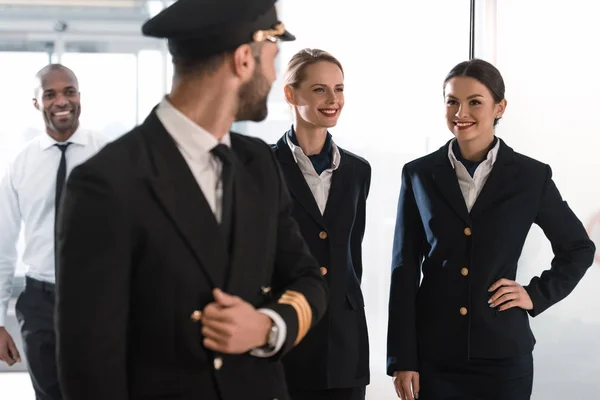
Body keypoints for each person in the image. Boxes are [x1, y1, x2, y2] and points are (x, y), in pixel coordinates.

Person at [54, 1, 328, 400]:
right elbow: (90, 372)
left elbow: (308, 278)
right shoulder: (106, 183)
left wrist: (269, 326)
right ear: (243, 61)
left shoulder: (258, 166)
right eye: (273, 56)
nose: (273, 74)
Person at [386, 58, 595, 400]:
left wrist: (535, 294)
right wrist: (401, 358)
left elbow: (579, 248)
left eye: (474, 102)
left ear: (499, 107)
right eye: (452, 101)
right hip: (434, 357)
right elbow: (404, 269)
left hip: (503, 359)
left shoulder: (531, 176)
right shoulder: (419, 174)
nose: (460, 111)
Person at [0, 63, 108, 400]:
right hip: (39, 301)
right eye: (50, 94)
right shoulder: (20, 163)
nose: (61, 101)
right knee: (48, 394)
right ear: (37, 103)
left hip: (97, 297)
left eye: (69, 91)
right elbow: (3, 244)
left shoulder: (109, 155)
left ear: (80, 97)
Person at [272, 48, 371, 400]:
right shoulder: (262, 167)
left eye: (339, 89)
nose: (333, 100)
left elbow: (350, 257)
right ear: (290, 94)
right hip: (285, 342)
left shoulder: (359, 171)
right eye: (319, 90)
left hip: (344, 347)